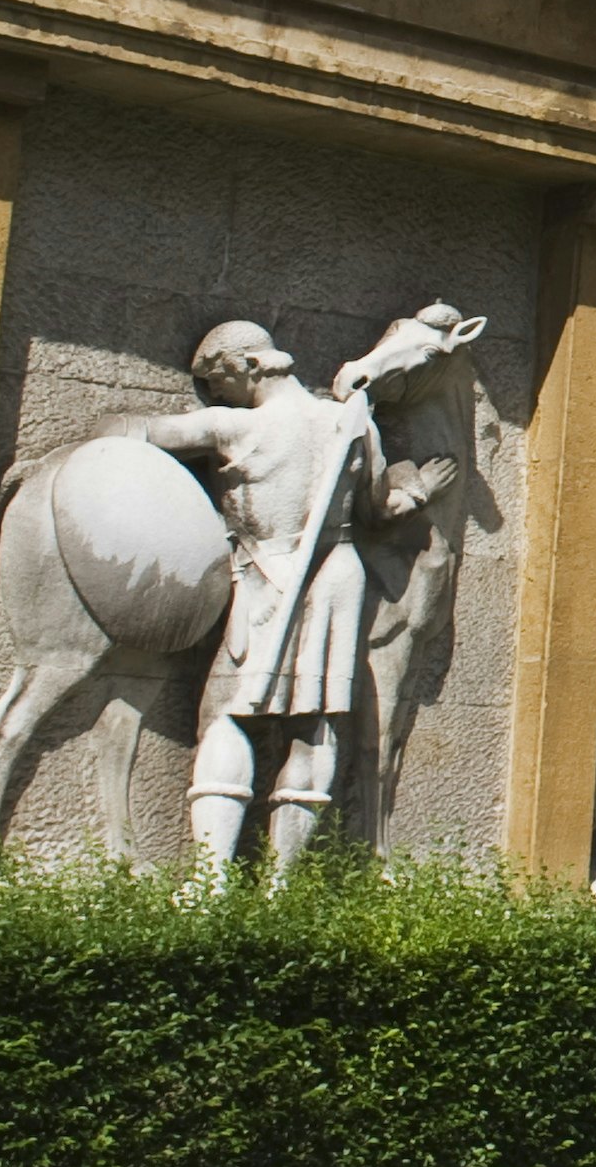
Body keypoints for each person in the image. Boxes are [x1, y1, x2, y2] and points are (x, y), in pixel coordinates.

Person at [131, 305, 476, 874]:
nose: (218, 395)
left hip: (270, 575)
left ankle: (210, 885)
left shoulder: (234, 426)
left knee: (226, 714)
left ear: (249, 365)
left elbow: (145, 434)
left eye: (219, 383)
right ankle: (280, 888)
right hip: (337, 574)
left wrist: (98, 446)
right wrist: (416, 490)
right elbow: (376, 509)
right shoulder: (350, 424)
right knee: (314, 723)